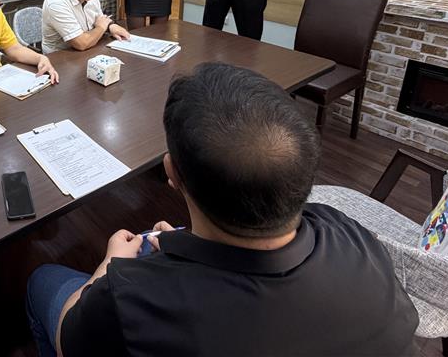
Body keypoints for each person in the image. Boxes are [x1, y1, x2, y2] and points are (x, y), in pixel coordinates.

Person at [26, 63, 418, 357]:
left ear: (171, 172)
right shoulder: (351, 234)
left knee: (42, 280)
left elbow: (68, 340)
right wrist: (185, 243)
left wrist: (109, 264)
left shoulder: (128, 298)